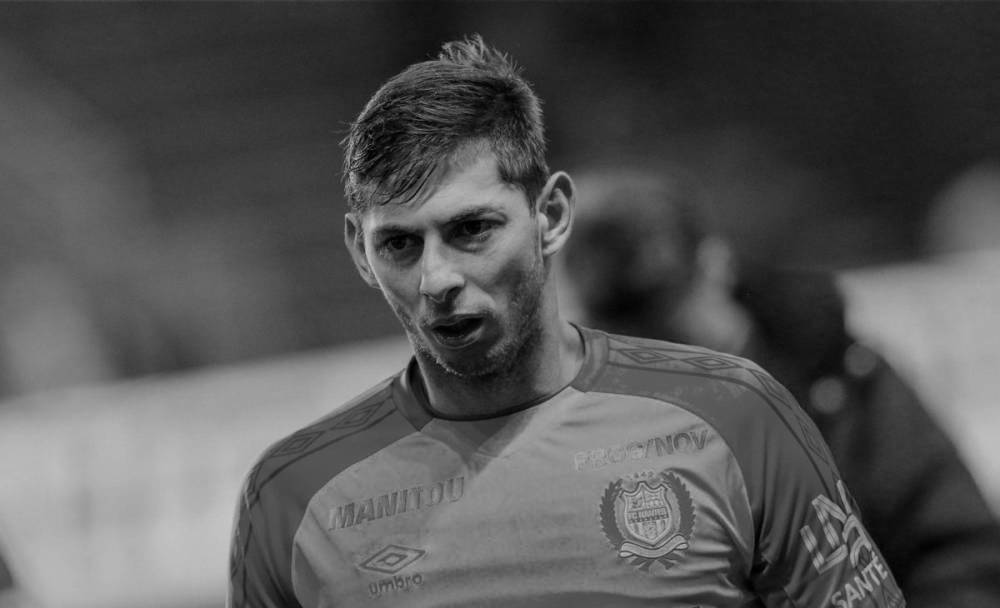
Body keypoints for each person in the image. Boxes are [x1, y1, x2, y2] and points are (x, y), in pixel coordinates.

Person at [227, 36, 904, 607]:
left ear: (550, 216)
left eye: (471, 229)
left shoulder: (735, 416)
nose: (436, 279)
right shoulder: (292, 500)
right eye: (399, 244)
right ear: (359, 251)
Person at [560, 165, 1000, 607]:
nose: (663, 352)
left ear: (716, 265)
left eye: (673, 323)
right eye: (632, 336)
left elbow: (960, 549)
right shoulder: (579, 431)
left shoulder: (839, 375)